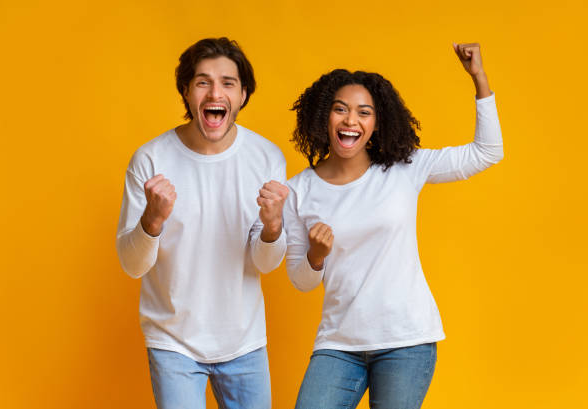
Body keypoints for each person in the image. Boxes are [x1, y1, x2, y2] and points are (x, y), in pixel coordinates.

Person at [284, 43, 503, 409]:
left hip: (406, 339)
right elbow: (300, 280)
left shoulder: (404, 169)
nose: (351, 120)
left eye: (363, 113)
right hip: (339, 344)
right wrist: (316, 255)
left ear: (377, 122)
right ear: (324, 117)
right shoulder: (299, 189)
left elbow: (487, 152)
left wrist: (479, 78)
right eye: (340, 110)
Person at [116, 37, 288, 409]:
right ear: (186, 91)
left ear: (243, 94)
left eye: (228, 83)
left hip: (244, 342)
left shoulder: (266, 157)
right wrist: (153, 219)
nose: (216, 92)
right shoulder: (150, 159)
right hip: (172, 341)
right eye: (203, 81)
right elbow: (132, 265)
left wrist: (274, 227)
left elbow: (266, 262)